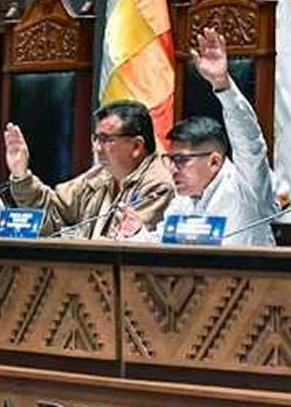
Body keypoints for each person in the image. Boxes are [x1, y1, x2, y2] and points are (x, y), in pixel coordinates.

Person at [109, 28, 279, 245]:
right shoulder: (183, 200)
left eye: (181, 160)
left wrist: (222, 84)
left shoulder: (247, 187)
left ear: (214, 161)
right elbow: (163, 249)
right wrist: (136, 233)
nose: (172, 169)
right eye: (170, 159)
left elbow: (249, 141)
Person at [4, 100, 173, 239]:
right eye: (96, 139)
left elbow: (125, 245)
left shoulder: (158, 186)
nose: (97, 148)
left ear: (137, 146)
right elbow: (52, 214)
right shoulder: (100, 176)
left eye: (106, 139)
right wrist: (21, 174)